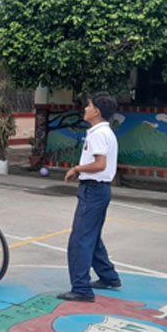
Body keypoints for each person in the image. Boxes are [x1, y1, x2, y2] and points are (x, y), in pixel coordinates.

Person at [58, 92, 122, 302]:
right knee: (91, 236)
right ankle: (108, 276)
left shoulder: (97, 134)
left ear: (96, 111)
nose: (85, 109)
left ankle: (81, 288)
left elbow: (100, 164)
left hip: (93, 190)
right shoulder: (104, 131)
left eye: (88, 106)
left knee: (80, 239)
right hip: (99, 190)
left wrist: (76, 168)